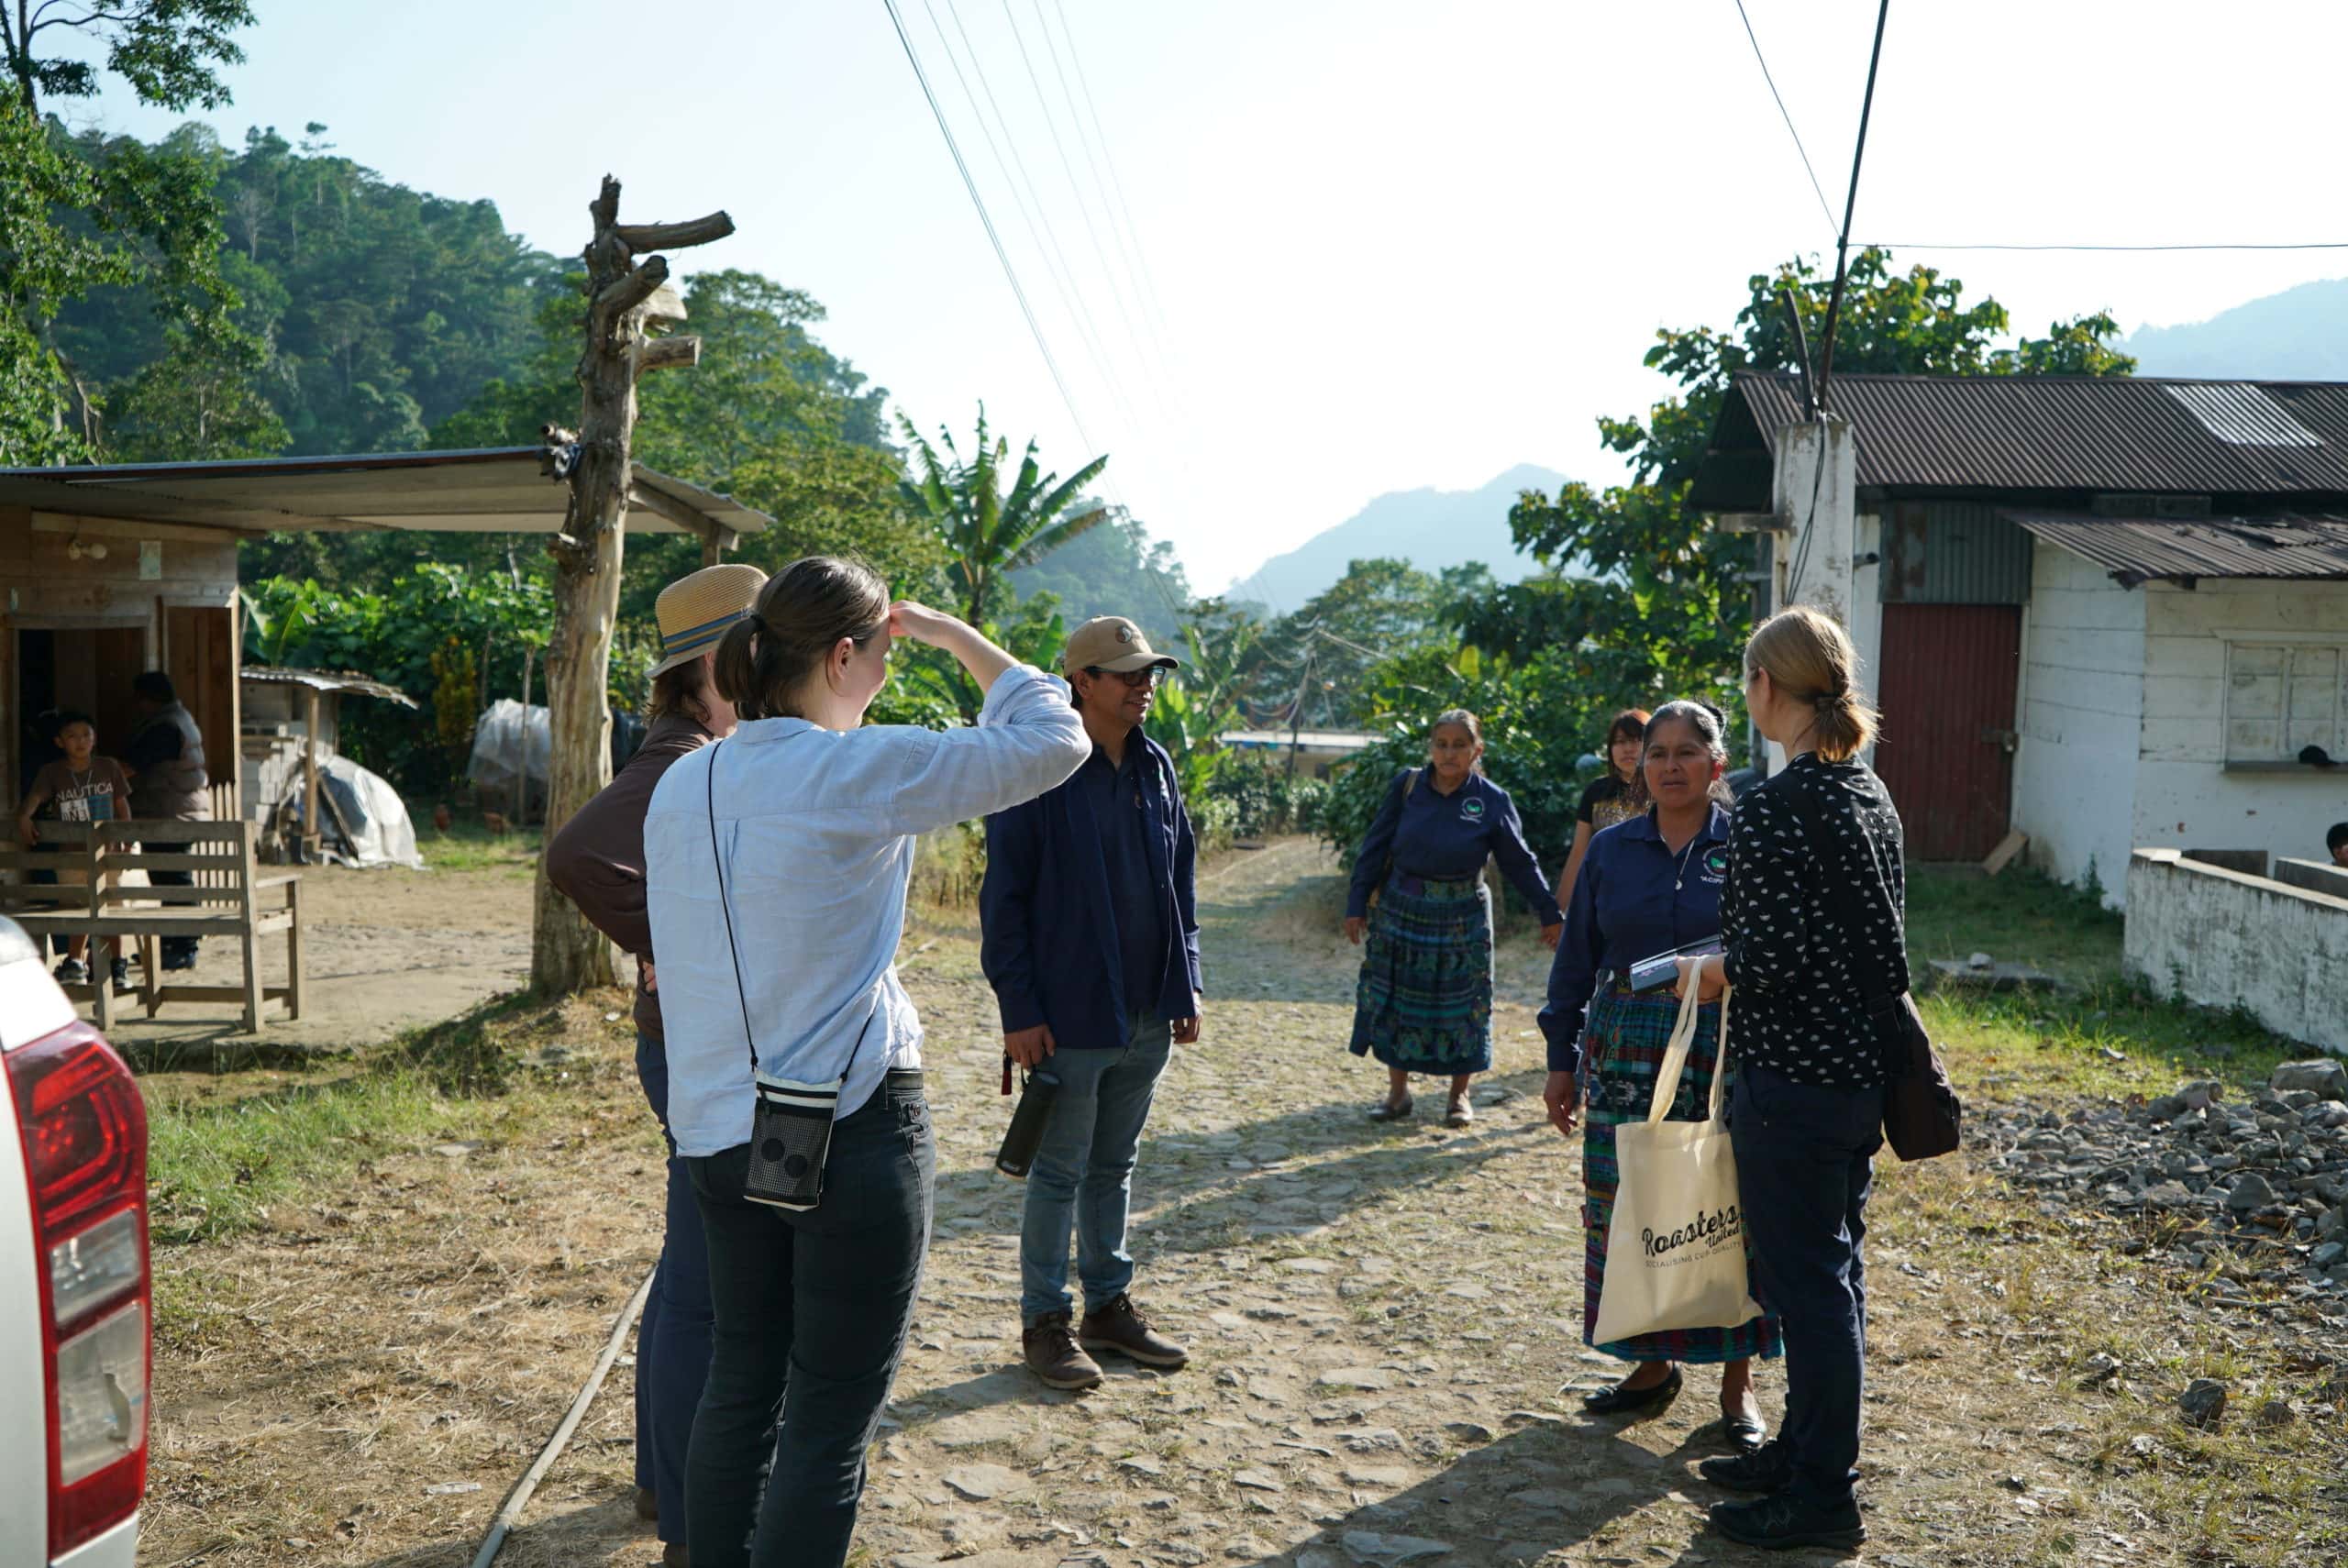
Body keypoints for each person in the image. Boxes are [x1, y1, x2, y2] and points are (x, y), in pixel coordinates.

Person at [643, 558, 1089, 1568]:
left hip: (714, 1130)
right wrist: (953, 636)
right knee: (829, 1418)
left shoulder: (681, 784)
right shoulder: (855, 771)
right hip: (847, 1131)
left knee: (740, 1386)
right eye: (884, 656)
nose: (890, 670)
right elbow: (1054, 738)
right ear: (843, 657)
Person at [546, 562, 763, 1568]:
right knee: (702, 1282)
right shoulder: (684, 757)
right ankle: (685, 1510)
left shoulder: (708, 747)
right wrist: (681, 943)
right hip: (694, 1049)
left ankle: (661, 1476)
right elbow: (581, 853)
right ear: (722, 663)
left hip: (689, 1044)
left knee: (692, 1267)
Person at [1679, 606, 1902, 1553]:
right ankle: (1804, 1454)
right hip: (1857, 1078)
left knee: (1810, 1289)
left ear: (1766, 687)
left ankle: (1823, 1494)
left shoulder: (1771, 809)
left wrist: (1704, 969)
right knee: (1830, 1276)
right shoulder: (1868, 795)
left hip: (1788, 1082)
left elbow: (1764, 961)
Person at [1539, 701, 1778, 1452]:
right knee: (1630, 1201)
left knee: (1725, 1204)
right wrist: (1559, 1059)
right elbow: (1576, 959)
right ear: (1640, 767)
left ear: (1718, 763)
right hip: (1624, 1044)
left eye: (1687, 751)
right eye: (1657, 754)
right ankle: (1650, 1364)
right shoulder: (1613, 850)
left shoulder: (1749, 843)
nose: (1671, 765)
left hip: (1725, 1042)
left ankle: (1737, 1384)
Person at [980, 615, 1203, 1391]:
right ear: (1081, 682)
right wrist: (1019, 1009)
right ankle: (1046, 1321)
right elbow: (1003, 900)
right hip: (1069, 1012)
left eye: (1149, 672)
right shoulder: (1036, 768)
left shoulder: (1157, 766)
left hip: (1147, 1010)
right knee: (1060, 1170)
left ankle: (1109, 1307)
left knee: (1115, 1164)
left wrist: (1187, 981)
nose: (1145, 684)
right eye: (1128, 673)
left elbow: (1181, 884)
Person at [1344, 710, 1564, 1127]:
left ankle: (1459, 1097)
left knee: (1466, 1004)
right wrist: (1356, 904)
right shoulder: (1407, 788)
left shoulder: (1492, 800)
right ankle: (1397, 1094)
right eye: (1441, 744)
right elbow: (1374, 847)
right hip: (1403, 909)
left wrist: (1549, 913)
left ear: (1476, 750)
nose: (1449, 753)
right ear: (1430, 747)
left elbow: (1520, 861)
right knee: (1397, 1000)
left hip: (1464, 915)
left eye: (1459, 745)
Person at [16, 710, 133, 988]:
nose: (80, 742)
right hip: (71, 854)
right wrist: (24, 816)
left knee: (110, 907)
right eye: (72, 736)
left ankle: (117, 965)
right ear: (59, 742)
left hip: (108, 852)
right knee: (75, 905)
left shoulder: (108, 767)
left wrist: (126, 835)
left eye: (86, 736)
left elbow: (121, 804)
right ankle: (76, 962)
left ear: (94, 739)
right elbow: (36, 797)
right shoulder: (53, 772)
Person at [121, 670, 211, 972]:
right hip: (173, 810)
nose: (136, 705)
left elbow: (133, 766)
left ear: (150, 699)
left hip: (171, 811)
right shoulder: (175, 719)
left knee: (174, 880)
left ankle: (185, 947)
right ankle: (172, 945)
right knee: (167, 879)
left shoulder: (166, 727)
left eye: (139, 699)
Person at [1555, 709, 1649, 908]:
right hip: (1604, 896)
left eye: (1635, 740)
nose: (1627, 748)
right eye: (1619, 742)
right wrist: (1559, 911)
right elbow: (1579, 852)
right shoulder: (1596, 792)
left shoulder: (1665, 791)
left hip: (1652, 894)